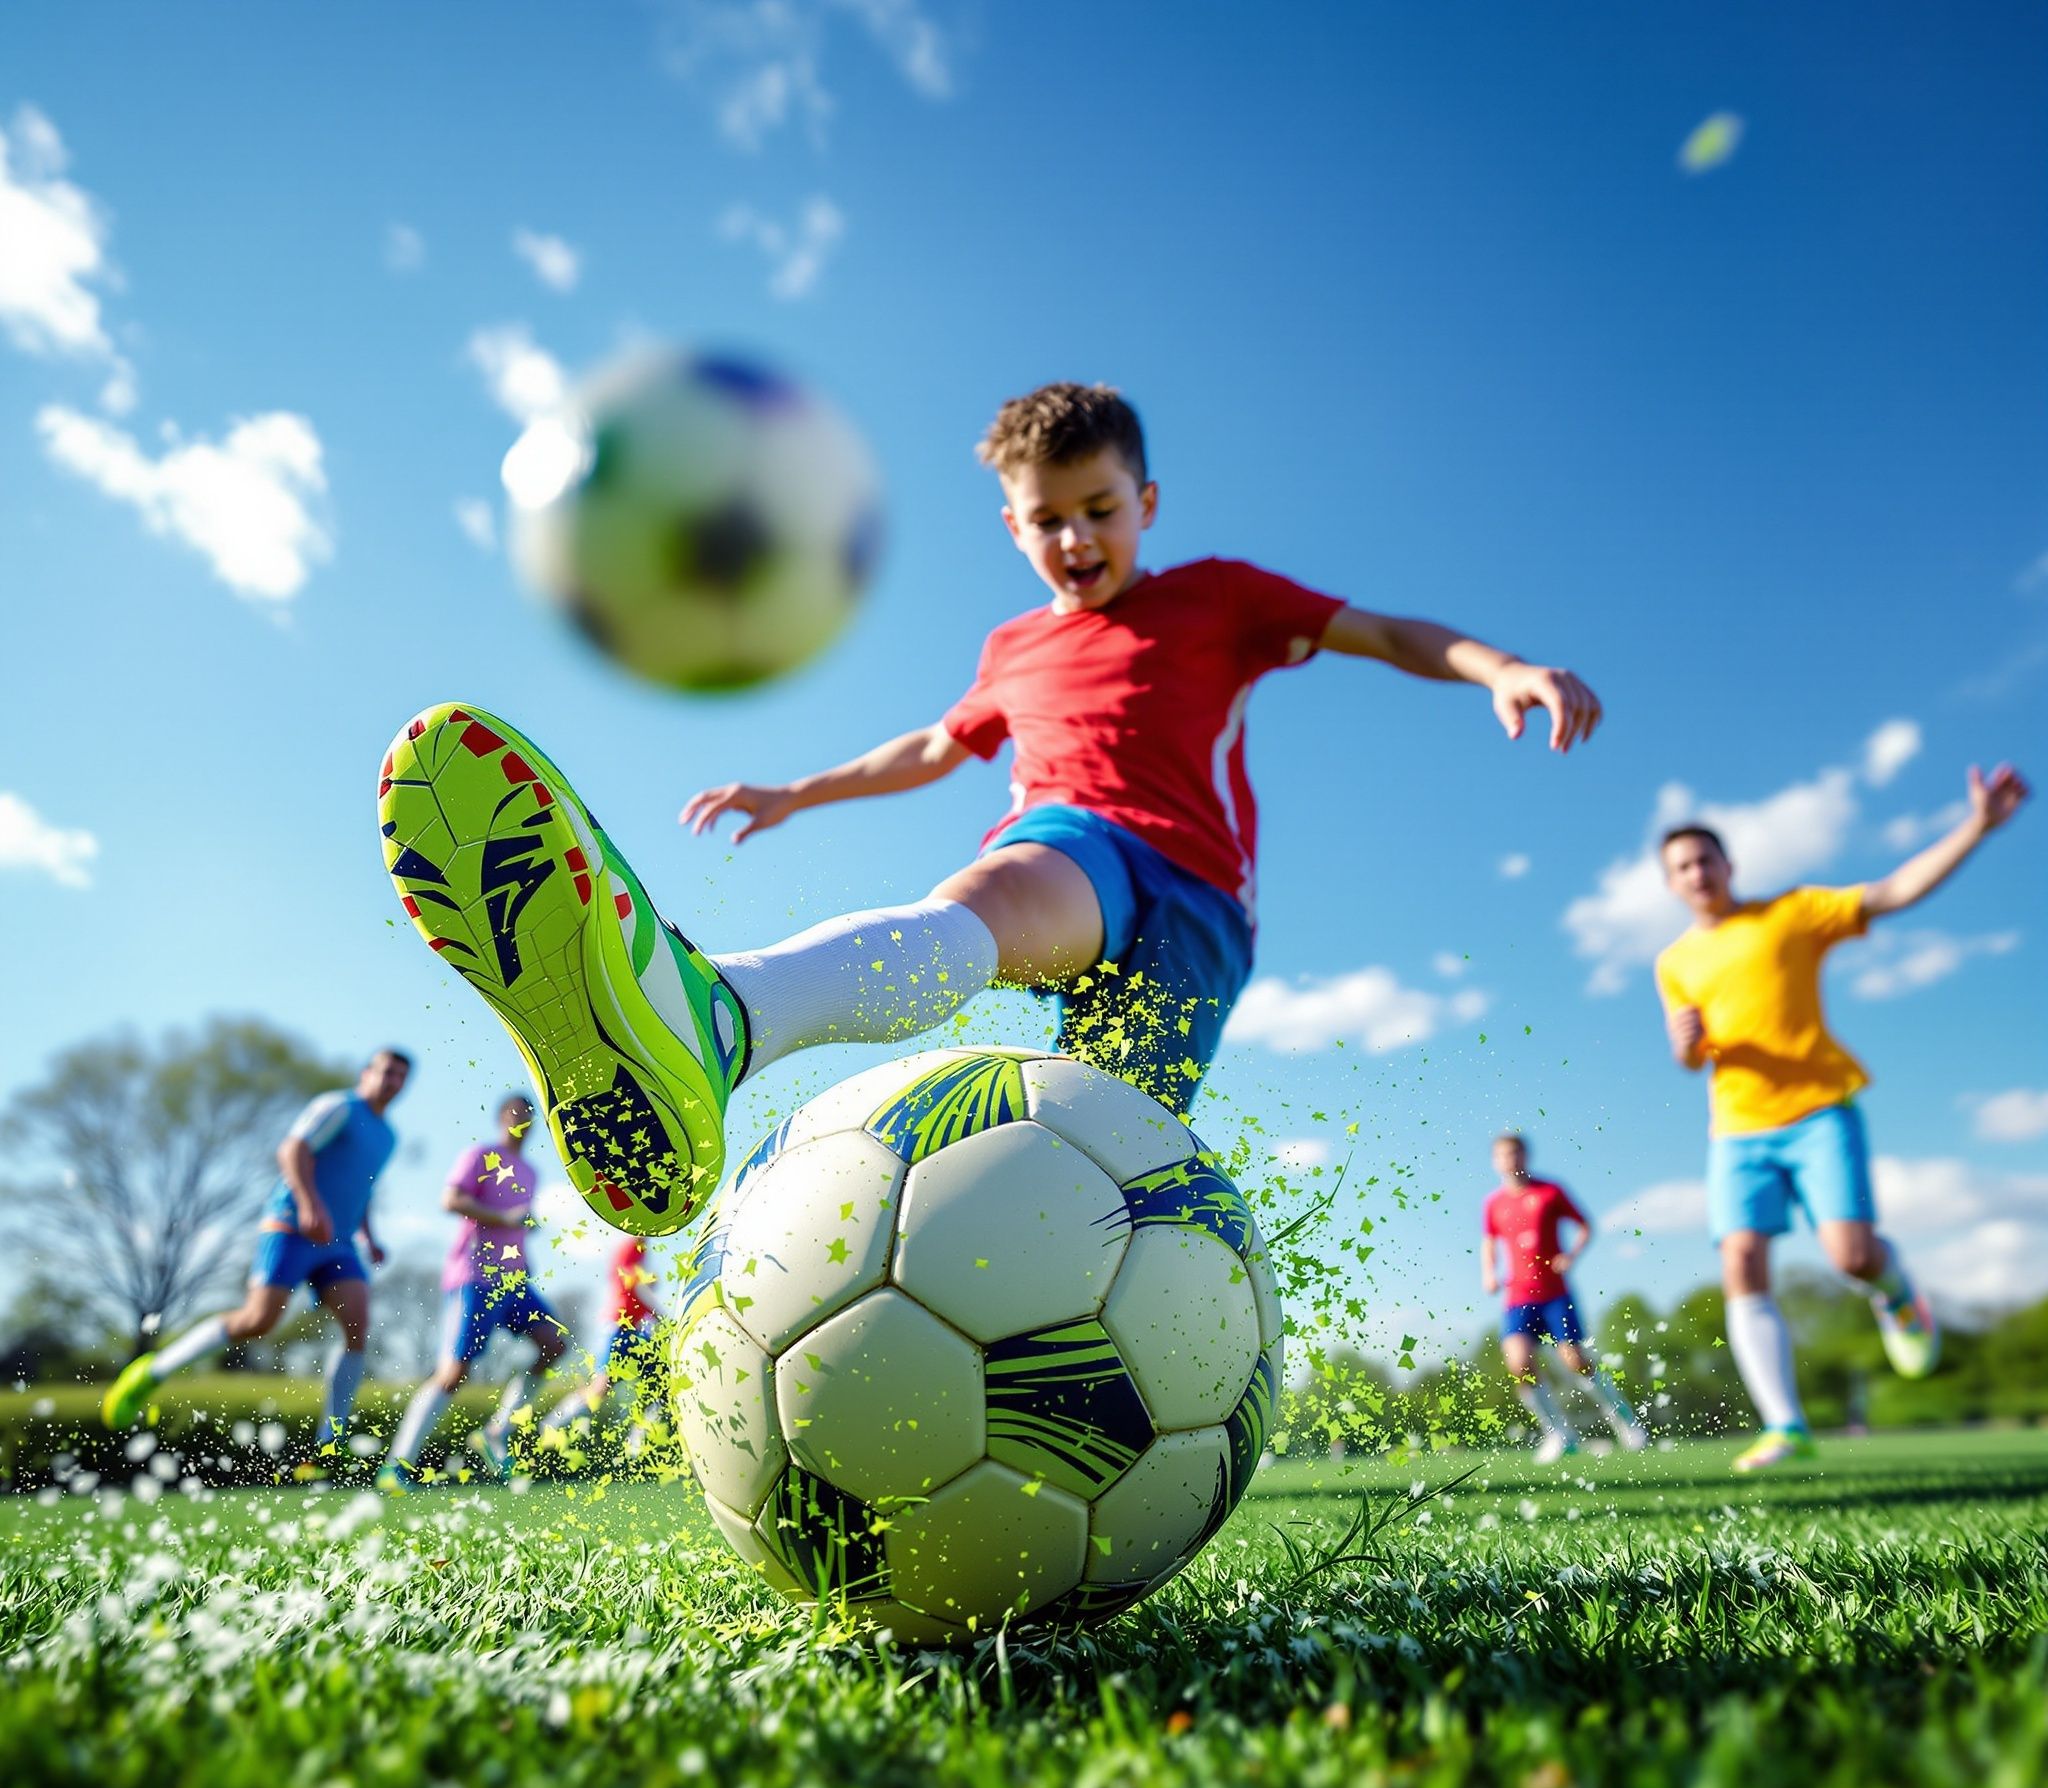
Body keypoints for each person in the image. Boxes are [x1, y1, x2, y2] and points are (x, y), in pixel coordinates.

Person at [378, 381, 1602, 1237]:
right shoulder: (1013, 647)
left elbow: (1380, 629)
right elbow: (931, 745)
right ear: (1010, 524)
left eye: (1098, 509)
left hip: (1202, 912)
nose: (1074, 537)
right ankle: (716, 1014)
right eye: (1047, 518)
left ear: (1147, 503)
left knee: (1088, 1173)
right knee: (987, 899)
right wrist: (796, 791)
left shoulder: (1219, 599)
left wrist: (1498, 667)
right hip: (1079, 845)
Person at [1656, 763, 2031, 1472]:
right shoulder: (1673, 962)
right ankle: (1786, 1425)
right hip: (1735, 1129)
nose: (1697, 871)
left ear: (1727, 864)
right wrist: (1682, 1050)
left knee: (1851, 1256)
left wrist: (1977, 826)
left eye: (1705, 857)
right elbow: (1693, 1053)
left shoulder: (1791, 914)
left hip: (1820, 1110)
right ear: (1671, 884)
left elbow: (1891, 892)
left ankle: (1897, 1291)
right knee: (1740, 1261)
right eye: (1681, 866)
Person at [102, 1050, 412, 1444]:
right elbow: (292, 1150)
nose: (392, 1082)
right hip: (292, 1226)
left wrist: (369, 1235)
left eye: (401, 1077)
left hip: (339, 1243)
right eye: (386, 1072)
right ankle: (152, 1371)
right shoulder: (338, 1107)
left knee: (359, 1326)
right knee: (258, 1320)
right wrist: (308, 1204)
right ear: (366, 1073)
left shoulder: (388, 1136)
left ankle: (328, 1443)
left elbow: (362, 1187)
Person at [379, 1092, 570, 1487]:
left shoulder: (531, 1172)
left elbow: (515, 1220)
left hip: (516, 1280)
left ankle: (496, 1432)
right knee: (454, 1373)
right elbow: (450, 1200)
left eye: (531, 1116)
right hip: (476, 1277)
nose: (525, 1121)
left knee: (555, 1343)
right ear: (502, 1117)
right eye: (518, 1114)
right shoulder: (482, 1156)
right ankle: (398, 1465)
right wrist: (503, 1218)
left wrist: (523, 1226)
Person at [1480, 1131, 1646, 1461]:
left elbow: (1585, 1225)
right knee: (1518, 1362)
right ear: (1495, 1161)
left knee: (1574, 1360)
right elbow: (1489, 1240)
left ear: (1525, 1156)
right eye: (1503, 1155)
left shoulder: (1550, 1192)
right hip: (1517, 1296)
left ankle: (1623, 1418)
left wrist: (1570, 1255)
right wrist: (1488, 1271)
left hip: (1555, 1293)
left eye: (1516, 1153)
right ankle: (1558, 1433)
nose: (1510, 1160)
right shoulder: (1494, 1203)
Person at [539, 1235, 664, 1447]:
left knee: (659, 1381)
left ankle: (638, 1445)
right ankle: (554, 1423)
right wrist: (660, 1315)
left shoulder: (641, 1248)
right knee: (600, 1387)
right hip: (619, 1327)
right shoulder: (630, 1246)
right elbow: (636, 1286)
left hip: (634, 1329)